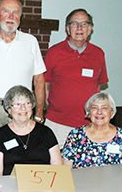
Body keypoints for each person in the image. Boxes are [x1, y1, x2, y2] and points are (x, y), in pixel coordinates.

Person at [0, 0, 46, 137]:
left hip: (21, 111)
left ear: (20, 16)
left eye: (15, 12)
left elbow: (39, 80)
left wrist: (39, 113)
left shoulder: (31, 42)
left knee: (19, 155)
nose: (10, 16)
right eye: (5, 11)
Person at [44, 9, 109, 147]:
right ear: (68, 29)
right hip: (57, 123)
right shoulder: (54, 52)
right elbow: (45, 84)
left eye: (84, 24)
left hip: (89, 124)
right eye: (74, 24)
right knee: (57, 166)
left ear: (90, 29)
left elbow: (100, 85)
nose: (79, 28)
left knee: (88, 166)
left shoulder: (98, 54)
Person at [0, 86, 62, 176]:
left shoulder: (46, 132)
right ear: (9, 109)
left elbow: (58, 168)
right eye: (17, 104)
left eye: (27, 103)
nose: (23, 108)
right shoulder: (0, 136)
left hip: (43, 185)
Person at [62, 93, 122, 169]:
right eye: (94, 108)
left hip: (116, 181)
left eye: (104, 108)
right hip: (82, 181)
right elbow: (66, 169)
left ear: (111, 112)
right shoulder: (76, 135)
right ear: (89, 112)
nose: (99, 112)